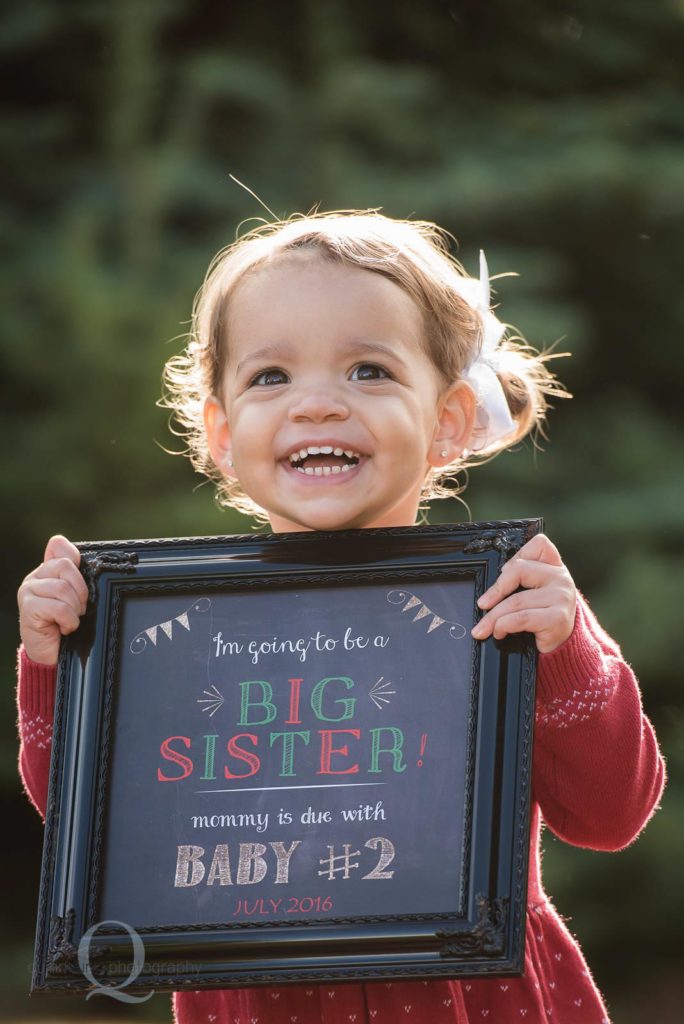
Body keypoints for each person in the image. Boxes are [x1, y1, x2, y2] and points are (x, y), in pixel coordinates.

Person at [17, 212, 665, 1024]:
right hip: (256, 992)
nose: (317, 405)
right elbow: (101, 829)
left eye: (367, 371)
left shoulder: (512, 602)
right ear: (220, 434)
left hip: (474, 995)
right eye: (269, 377)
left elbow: (611, 814)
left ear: (450, 419)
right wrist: (56, 663)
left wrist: (569, 652)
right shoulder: (174, 630)